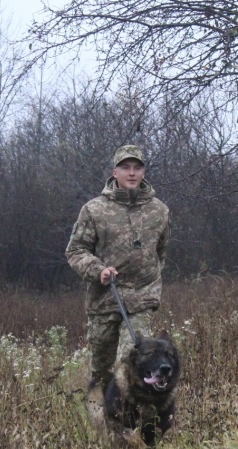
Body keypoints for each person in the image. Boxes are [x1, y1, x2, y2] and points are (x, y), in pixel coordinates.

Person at [66, 144, 171, 405]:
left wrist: (150, 283)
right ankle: (100, 416)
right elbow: (75, 250)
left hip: (141, 299)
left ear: (144, 172)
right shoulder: (94, 210)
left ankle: (132, 417)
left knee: (132, 359)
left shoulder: (160, 211)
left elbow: (161, 252)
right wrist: (98, 270)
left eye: (137, 168)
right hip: (104, 299)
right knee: (102, 368)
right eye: (126, 167)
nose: (132, 173)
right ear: (115, 172)